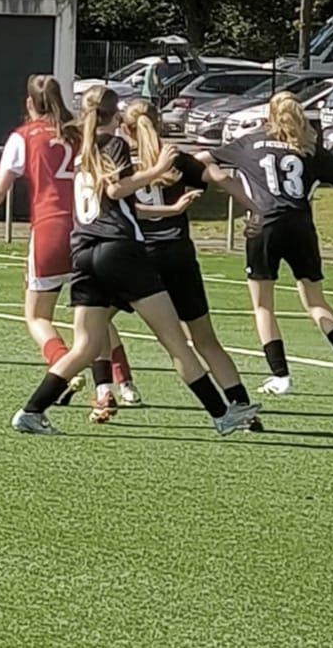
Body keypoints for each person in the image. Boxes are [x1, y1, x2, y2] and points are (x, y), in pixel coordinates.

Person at [11, 86, 260, 436]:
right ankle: (222, 415)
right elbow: (116, 190)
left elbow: (113, 198)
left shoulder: (83, 150)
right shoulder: (113, 144)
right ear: (115, 116)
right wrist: (157, 168)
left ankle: (31, 410)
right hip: (119, 251)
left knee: (85, 346)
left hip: (83, 252)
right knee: (175, 341)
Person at [199, 92, 333, 397]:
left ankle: (281, 376)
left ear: (269, 115)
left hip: (264, 225)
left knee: (263, 306)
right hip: (300, 226)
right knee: (315, 302)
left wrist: (211, 175)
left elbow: (201, 160)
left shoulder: (249, 142)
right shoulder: (307, 149)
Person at [0, 74, 136, 406]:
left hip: (50, 230)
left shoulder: (23, 137)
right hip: (88, 229)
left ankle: (64, 368)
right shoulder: (80, 132)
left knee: (37, 316)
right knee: (95, 314)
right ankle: (119, 385)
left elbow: (0, 188)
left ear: (29, 103)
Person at [120, 100, 262, 428]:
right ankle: (242, 406)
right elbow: (220, 176)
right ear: (159, 123)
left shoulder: (122, 161)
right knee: (205, 340)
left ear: (126, 129)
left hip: (137, 257)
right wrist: (256, 209)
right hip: (178, 254)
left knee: (94, 323)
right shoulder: (176, 158)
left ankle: (107, 386)